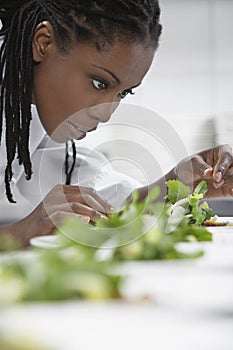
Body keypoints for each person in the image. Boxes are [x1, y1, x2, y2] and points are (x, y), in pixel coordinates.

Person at [0, 0, 233, 247]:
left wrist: (178, 185)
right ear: (44, 43)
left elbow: (103, 199)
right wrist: (16, 235)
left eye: (124, 93)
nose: (106, 113)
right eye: (99, 83)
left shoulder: (30, 117)